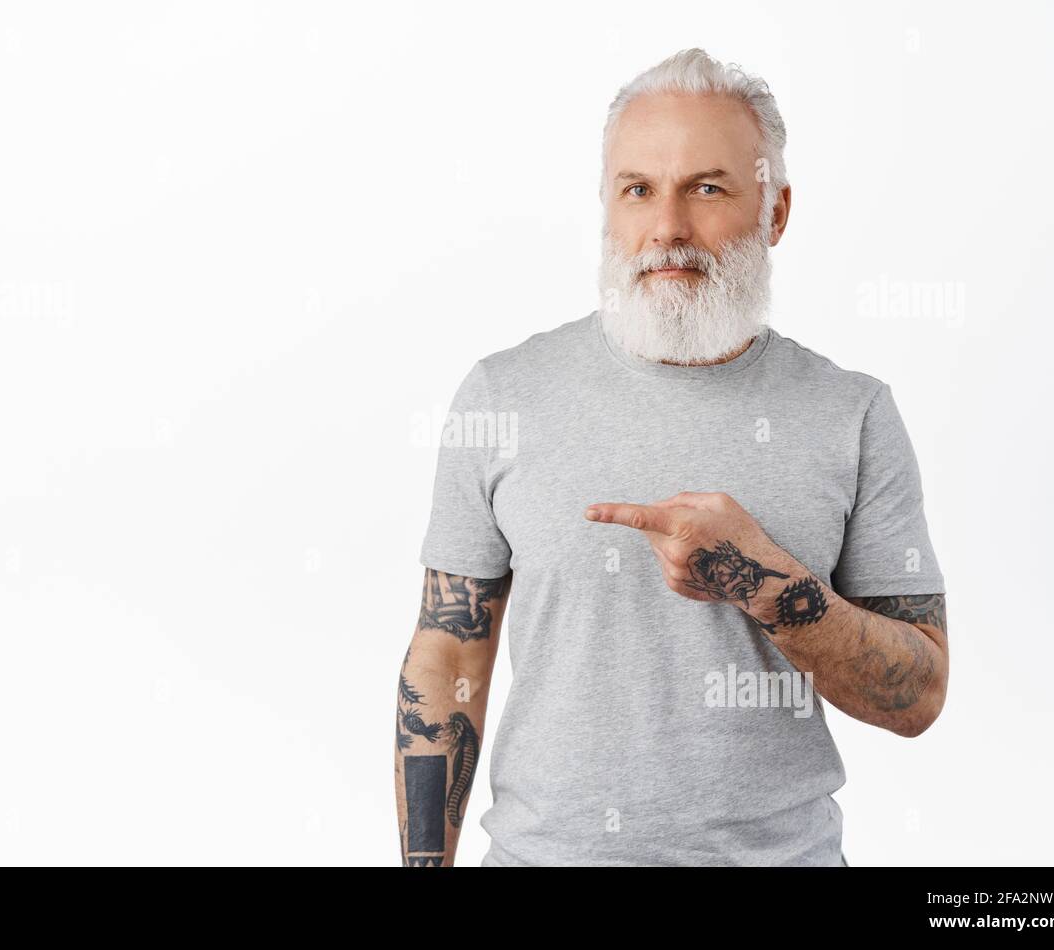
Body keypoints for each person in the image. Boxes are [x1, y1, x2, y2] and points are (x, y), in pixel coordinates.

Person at [394, 48, 948, 867]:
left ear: (777, 211)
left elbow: (919, 696)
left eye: (708, 188)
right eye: (638, 189)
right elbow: (448, 650)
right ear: (607, 207)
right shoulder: (501, 395)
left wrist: (767, 584)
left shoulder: (853, 413)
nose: (667, 229)